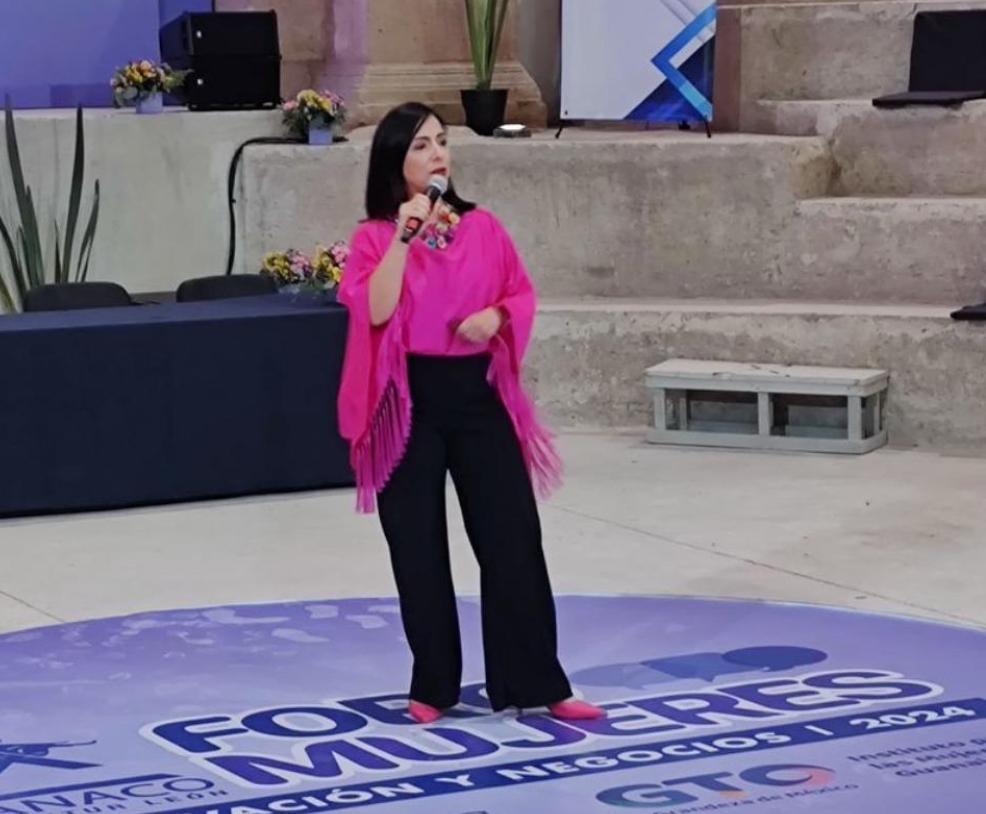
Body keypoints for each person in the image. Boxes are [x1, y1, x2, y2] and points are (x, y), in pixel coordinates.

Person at [337, 102, 604, 724]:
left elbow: (520, 292)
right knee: (418, 547)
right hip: (407, 402)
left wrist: (498, 316)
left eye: (441, 141)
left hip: (478, 395)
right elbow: (375, 310)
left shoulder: (483, 227)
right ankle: (433, 684)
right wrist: (403, 238)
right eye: (421, 146)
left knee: (512, 538)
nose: (437, 155)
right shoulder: (375, 236)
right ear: (395, 162)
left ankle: (539, 679)